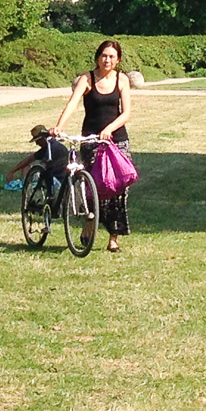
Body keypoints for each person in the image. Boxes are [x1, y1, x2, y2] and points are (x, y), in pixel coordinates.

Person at [51, 39, 133, 253]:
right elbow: (73, 103)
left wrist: (110, 129)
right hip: (92, 140)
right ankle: (91, 221)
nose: (107, 60)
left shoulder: (122, 80)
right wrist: (59, 126)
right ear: (98, 57)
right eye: (104, 55)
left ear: (118, 60)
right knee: (96, 186)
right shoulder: (86, 79)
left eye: (112, 57)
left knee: (119, 188)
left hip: (117, 140)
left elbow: (126, 113)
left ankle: (114, 238)